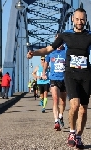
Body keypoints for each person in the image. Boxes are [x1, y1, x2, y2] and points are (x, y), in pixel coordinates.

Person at [27, 8, 91, 149]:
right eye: (77, 19)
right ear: (72, 19)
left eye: (82, 19)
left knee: (84, 109)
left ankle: (79, 136)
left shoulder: (89, 35)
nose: (80, 22)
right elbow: (49, 49)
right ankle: (72, 133)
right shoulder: (65, 35)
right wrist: (35, 53)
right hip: (70, 74)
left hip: (86, 75)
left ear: (86, 20)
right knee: (74, 105)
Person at [42, 36, 66, 131]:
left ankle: (60, 116)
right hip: (53, 78)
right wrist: (44, 72)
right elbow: (46, 63)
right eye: (57, 40)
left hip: (64, 79)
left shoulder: (67, 51)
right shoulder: (51, 51)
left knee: (63, 101)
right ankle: (56, 121)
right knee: (55, 99)